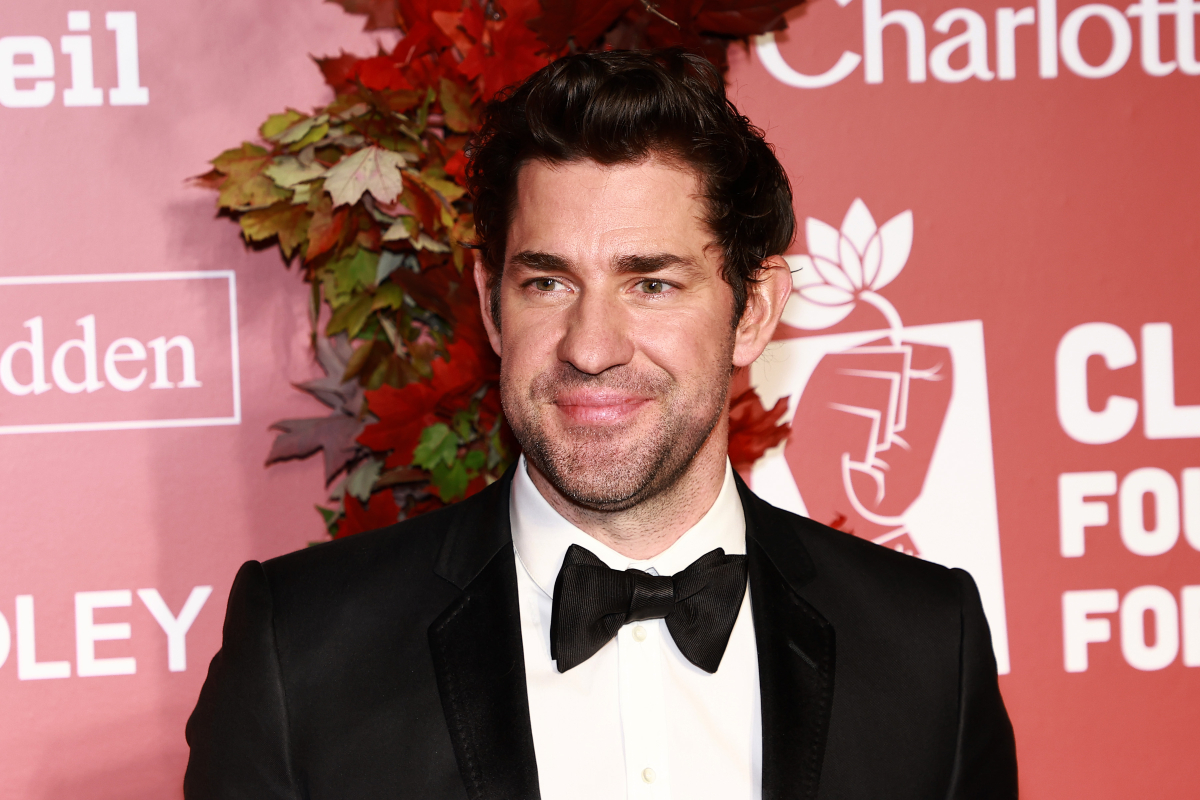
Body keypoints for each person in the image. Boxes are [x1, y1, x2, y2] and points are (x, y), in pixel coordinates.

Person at [184, 49, 1017, 800]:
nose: (589, 348)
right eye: (546, 283)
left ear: (754, 310)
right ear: (491, 305)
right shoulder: (301, 652)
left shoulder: (923, 645)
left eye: (650, 283)